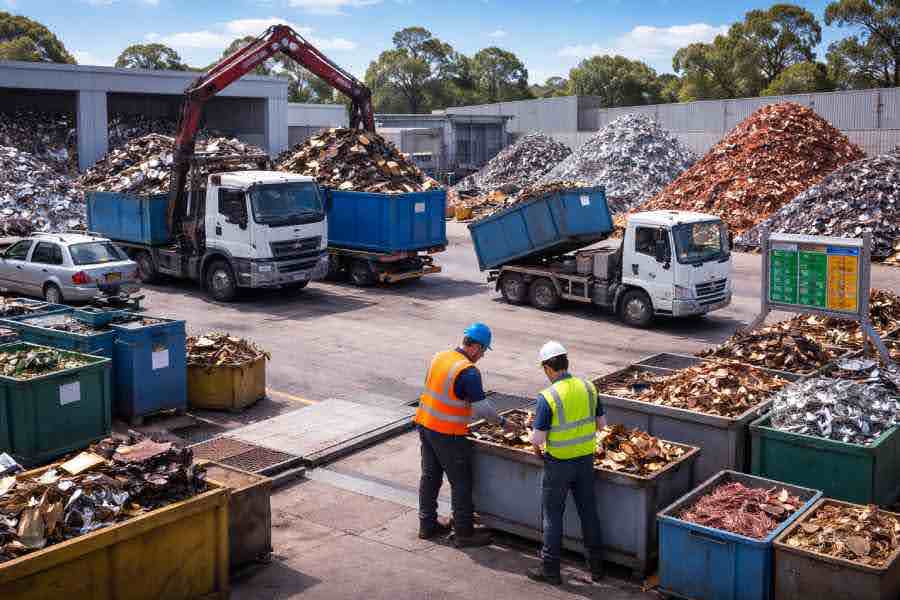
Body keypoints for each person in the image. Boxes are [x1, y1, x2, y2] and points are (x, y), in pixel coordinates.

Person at [415, 322, 513, 547]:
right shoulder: (468, 371)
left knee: (430, 477)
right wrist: (503, 423)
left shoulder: (440, 357)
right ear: (476, 346)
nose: (482, 356)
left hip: (425, 424)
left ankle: (427, 525)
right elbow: (482, 409)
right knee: (461, 482)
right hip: (448, 434)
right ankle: (464, 533)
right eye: (483, 351)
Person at [527, 341, 606, 586]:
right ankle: (596, 567)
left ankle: (550, 570)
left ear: (548, 368)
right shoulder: (589, 387)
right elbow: (601, 425)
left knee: (552, 516)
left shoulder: (548, 397)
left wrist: (533, 438)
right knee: (589, 512)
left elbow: (538, 439)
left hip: (558, 464)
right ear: (566, 363)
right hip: (584, 461)